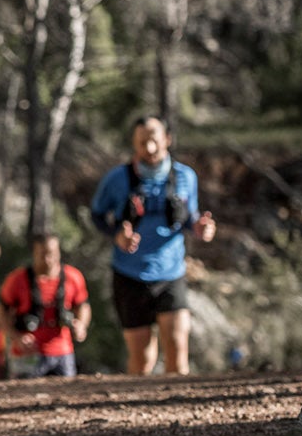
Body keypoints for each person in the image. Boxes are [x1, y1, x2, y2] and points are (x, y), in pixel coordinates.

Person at [90, 115, 217, 376]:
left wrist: (201, 229)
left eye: (153, 141)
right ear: (133, 144)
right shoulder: (116, 179)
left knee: (177, 347)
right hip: (129, 275)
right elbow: (97, 215)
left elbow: (189, 218)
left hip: (171, 272)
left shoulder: (185, 177)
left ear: (167, 139)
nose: (148, 149)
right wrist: (117, 235)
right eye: (141, 143)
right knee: (143, 359)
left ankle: (179, 411)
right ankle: (137, 412)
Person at [0, 233, 91, 378]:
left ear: (58, 253)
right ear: (34, 254)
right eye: (42, 254)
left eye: (51, 254)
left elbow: (83, 306)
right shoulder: (17, 279)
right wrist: (15, 337)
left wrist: (81, 325)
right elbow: (0, 312)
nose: (47, 259)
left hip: (63, 353)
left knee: (67, 396)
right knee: (23, 396)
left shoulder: (73, 277)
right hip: (27, 354)